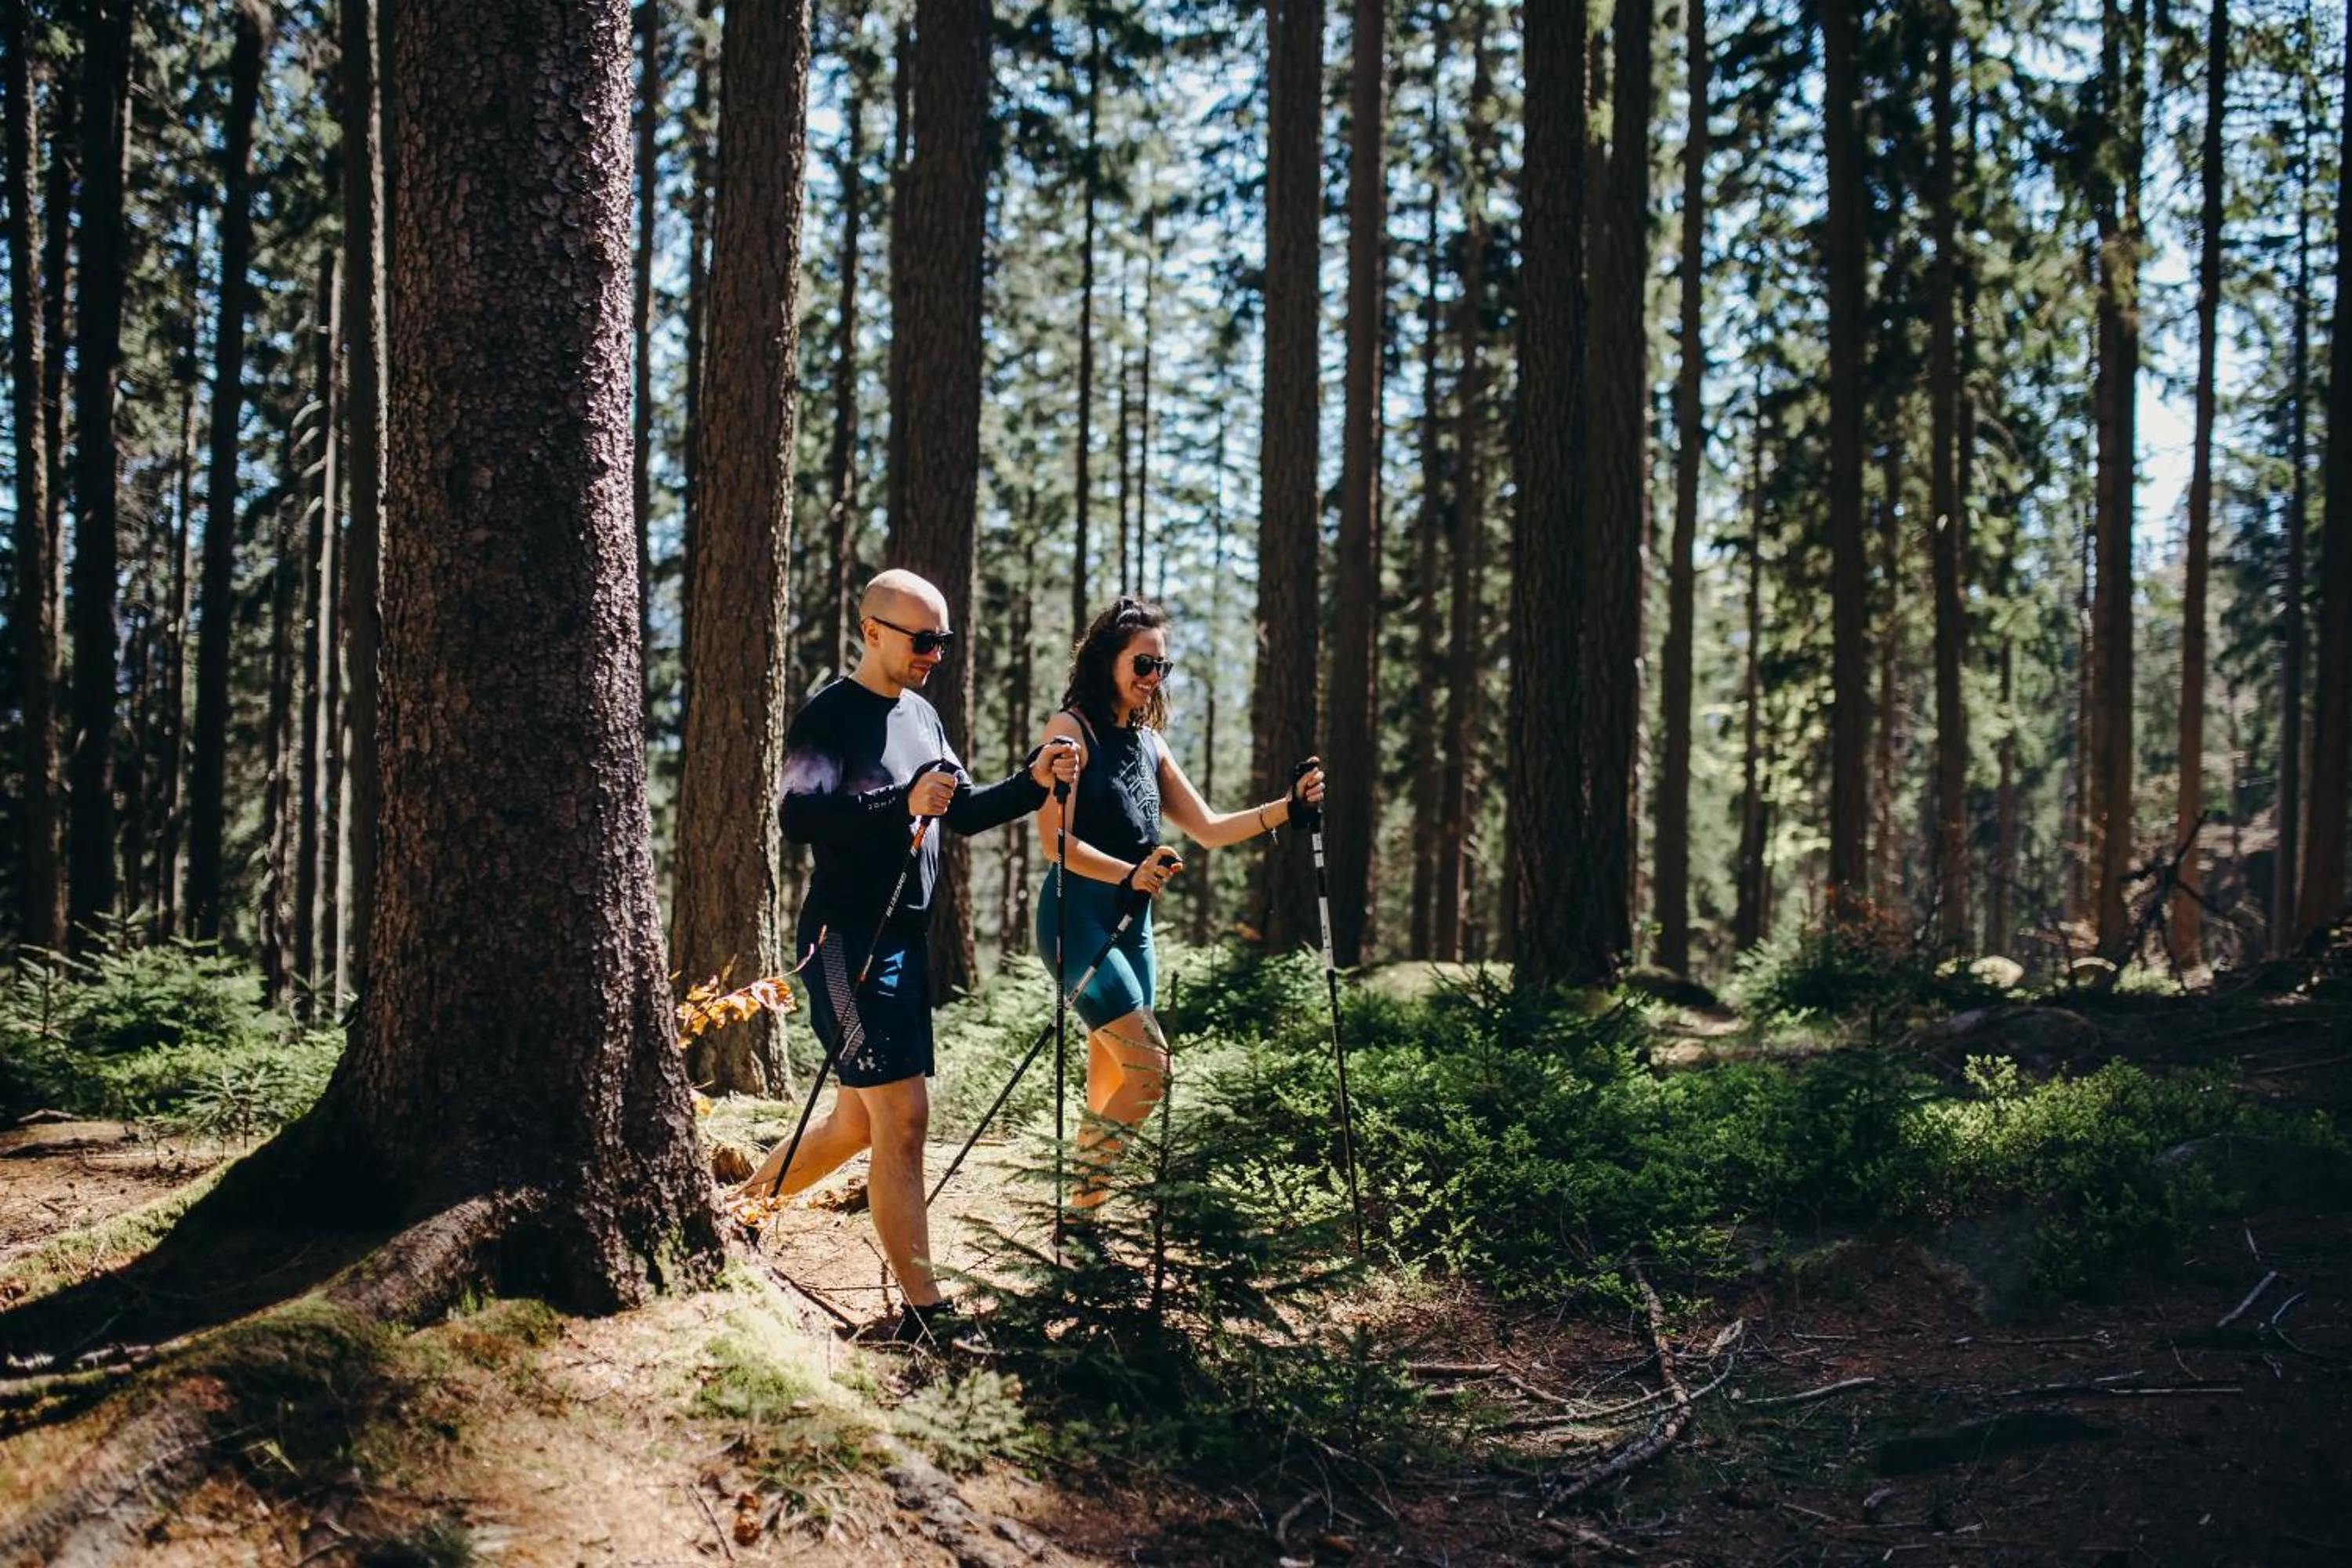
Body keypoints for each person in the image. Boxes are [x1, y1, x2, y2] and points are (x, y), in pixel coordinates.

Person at [736, 568, 1078, 1348]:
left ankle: (736, 1217)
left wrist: (1031, 781)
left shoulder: (922, 714)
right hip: (847, 943)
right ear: (872, 630)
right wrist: (900, 803)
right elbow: (797, 816)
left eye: (943, 641)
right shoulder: (833, 715)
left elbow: (957, 810)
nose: (934, 653)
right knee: (905, 1118)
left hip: (904, 944)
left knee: (856, 1122)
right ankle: (926, 1313)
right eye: (923, 639)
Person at [1034, 594, 1325, 1204]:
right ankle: (1078, 1213)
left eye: (1161, 668)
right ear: (1106, 661)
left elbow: (1211, 828)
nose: (1152, 679)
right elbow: (1054, 842)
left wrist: (1291, 808)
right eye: (1142, 665)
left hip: (1132, 927)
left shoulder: (1150, 744)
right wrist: (1128, 874)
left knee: (1111, 1080)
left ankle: (1081, 1231)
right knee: (1150, 1073)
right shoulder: (1070, 732)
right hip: (1077, 919)